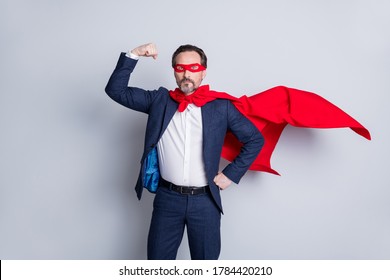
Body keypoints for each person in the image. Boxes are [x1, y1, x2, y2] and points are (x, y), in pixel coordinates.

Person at [105, 43, 264, 260]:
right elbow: (116, 90)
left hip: (205, 201)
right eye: (180, 69)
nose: (187, 74)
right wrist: (134, 54)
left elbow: (254, 139)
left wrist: (231, 174)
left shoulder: (221, 107)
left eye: (194, 68)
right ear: (174, 72)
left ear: (203, 72)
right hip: (167, 199)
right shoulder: (159, 101)